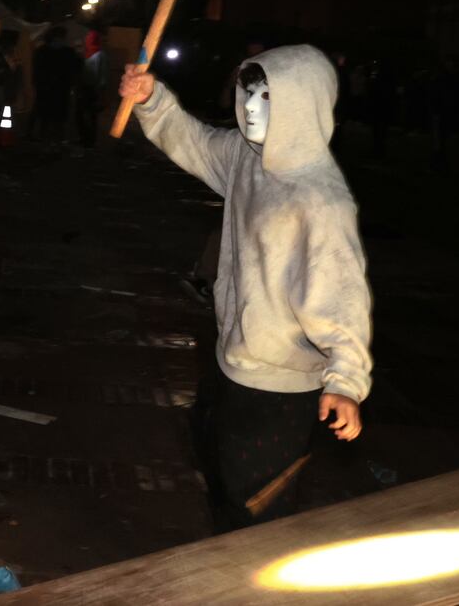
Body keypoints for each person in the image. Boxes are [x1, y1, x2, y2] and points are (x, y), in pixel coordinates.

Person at [120, 46, 373, 530]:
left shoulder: (319, 199)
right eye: (249, 93)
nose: (252, 108)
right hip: (229, 367)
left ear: (303, 105)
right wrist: (151, 99)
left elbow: (342, 296)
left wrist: (345, 382)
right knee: (222, 490)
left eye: (268, 97)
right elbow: (193, 141)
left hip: (278, 390)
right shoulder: (245, 157)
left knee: (256, 517)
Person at [31, 26, 80, 142]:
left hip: (58, 90)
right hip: (51, 90)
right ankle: (47, 141)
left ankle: (53, 141)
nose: (61, 40)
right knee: (49, 118)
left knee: (55, 119)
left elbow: (75, 70)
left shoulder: (46, 51)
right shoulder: (45, 51)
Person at [75, 29, 109, 147]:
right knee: (80, 114)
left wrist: (101, 92)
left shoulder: (100, 55)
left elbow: (103, 74)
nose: (88, 40)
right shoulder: (84, 53)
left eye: (90, 38)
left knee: (91, 115)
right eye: (88, 38)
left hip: (93, 89)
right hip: (82, 88)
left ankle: (90, 140)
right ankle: (83, 138)